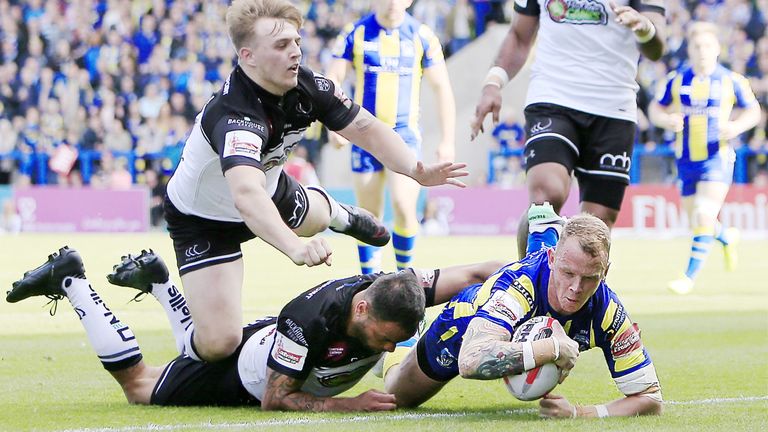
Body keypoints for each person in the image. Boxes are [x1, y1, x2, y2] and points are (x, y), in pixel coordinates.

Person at [164, 0, 467, 363]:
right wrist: (293, 247)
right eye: (280, 46)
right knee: (219, 345)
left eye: (296, 41)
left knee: (317, 219)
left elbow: (365, 128)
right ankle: (159, 286)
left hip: (270, 190)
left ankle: (340, 215)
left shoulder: (306, 84)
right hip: (204, 220)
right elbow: (245, 195)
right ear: (248, 56)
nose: (295, 52)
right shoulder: (235, 115)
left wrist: (417, 169)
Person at [4, 247, 501, 411]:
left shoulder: (398, 291)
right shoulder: (312, 323)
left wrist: (540, 267)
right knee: (140, 388)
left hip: (262, 337)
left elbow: (477, 274)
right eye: (385, 339)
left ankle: (159, 284)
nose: (392, 349)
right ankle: (70, 279)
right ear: (362, 311)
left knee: (201, 344)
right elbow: (276, 400)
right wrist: (345, 405)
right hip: (249, 377)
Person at [383, 205, 663, 419]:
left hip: (529, 293)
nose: (576, 288)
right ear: (554, 259)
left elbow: (650, 398)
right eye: (567, 273)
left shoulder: (608, 310)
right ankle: (408, 339)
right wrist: (553, 348)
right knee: (396, 397)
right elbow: (469, 361)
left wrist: (581, 412)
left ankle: (542, 224)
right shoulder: (518, 287)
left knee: (537, 220)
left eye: (590, 278)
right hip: (464, 324)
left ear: (606, 272)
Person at [471, 0, 667, 258]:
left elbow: (656, 47)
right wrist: (493, 83)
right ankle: (530, 283)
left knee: (597, 223)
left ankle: (580, 297)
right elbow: (519, 36)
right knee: (545, 196)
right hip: (553, 98)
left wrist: (644, 28)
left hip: (613, 108)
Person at [326, 0, 456, 274]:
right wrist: (334, 125)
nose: (392, 3)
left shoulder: (422, 36)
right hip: (364, 137)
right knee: (369, 216)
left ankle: (405, 280)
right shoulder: (356, 33)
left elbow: (442, 88)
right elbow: (333, 78)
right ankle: (369, 283)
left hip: (405, 137)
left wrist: (448, 140)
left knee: (403, 205)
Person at [648, 21, 760, 295]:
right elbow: (655, 108)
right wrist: (666, 120)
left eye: (707, 45)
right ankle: (726, 236)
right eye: (697, 46)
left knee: (702, 213)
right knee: (700, 220)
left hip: (717, 158)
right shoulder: (677, 79)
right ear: (690, 49)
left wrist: (735, 127)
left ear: (717, 49)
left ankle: (688, 277)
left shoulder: (731, 80)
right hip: (686, 160)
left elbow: (754, 111)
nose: (702, 51)